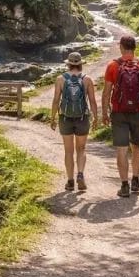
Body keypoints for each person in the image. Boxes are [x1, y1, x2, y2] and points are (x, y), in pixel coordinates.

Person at [102, 35, 139, 198]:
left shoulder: (113, 66)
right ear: (135, 47)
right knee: (137, 147)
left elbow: (106, 92)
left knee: (121, 150)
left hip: (119, 112)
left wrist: (104, 113)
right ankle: (135, 180)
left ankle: (124, 185)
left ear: (121, 47)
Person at [51, 52, 98, 191]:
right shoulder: (87, 79)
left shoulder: (60, 79)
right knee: (81, 148)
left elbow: (55, 100)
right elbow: (93, 101)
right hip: (82, 118)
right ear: (80, 64)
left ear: (68, 64)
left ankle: (70, 181)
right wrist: (96, 117)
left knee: (68, 151)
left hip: (65, 118)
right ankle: (81, 174)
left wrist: (52, 118)